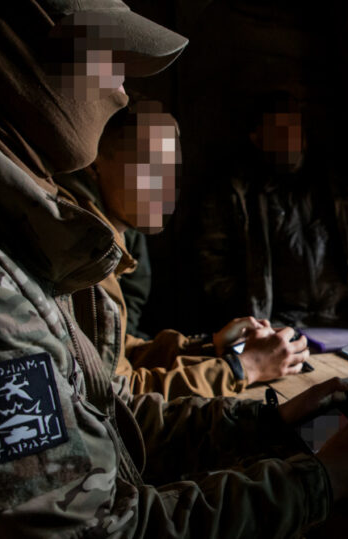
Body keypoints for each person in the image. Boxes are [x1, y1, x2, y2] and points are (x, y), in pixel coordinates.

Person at [0, 2, 348, 536]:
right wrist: (318, 481)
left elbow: (101, 413)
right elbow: (92, 530)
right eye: (106, 54)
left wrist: (265, 422)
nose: (120, 90)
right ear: (13, 50)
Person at [57, 100, 306, 399]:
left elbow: (118, 353)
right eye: (147, 165)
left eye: (171, 167)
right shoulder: (80, 253)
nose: (164, 185)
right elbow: (119, 400)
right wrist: (242, 368)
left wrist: (210, 346)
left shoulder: (106, 238)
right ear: (94, 164)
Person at [193, 91, 348, 329]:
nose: (288, 137)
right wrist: (243, 309)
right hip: (276, 325)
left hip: (343, 319)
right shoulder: (239, 193)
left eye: (293, 128)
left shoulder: (334, 185)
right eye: (277, 129)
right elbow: (213, 260)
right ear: (257, 137)